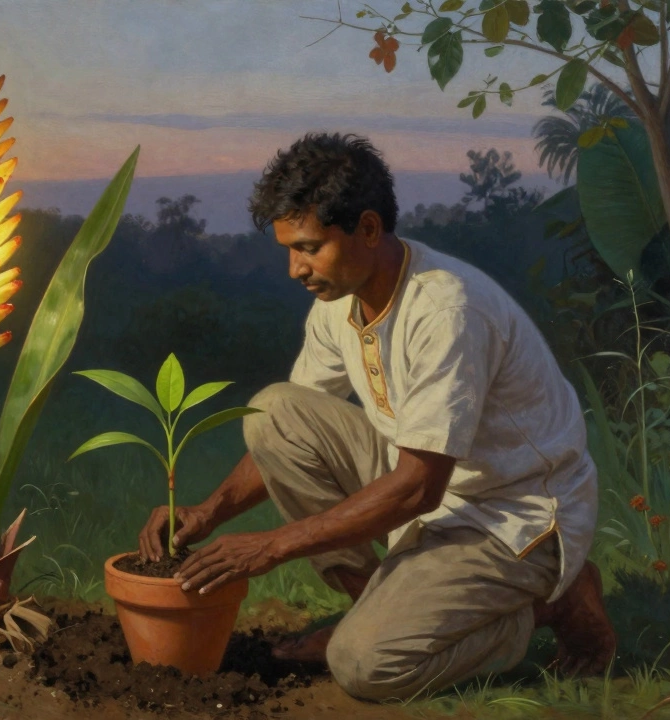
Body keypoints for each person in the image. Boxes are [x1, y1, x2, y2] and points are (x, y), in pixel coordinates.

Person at [137, 133, 616, 701]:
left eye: (310, 247)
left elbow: (419, 490)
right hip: (423, 485)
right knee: (273, 411)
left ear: (368, 229)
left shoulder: (446, 310)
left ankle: (547, 603)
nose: (295, 268)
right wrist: (210, 513)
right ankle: (385, 604)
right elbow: (291, 433)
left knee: (365, 665)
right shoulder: (338, 301)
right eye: (289, 249)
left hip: (513, 516)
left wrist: (268, 547)